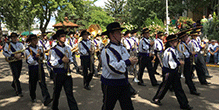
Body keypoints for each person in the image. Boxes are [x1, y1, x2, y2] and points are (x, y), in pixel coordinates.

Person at [100, 22, 138, 110]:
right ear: (111, 35)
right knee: (107, 107)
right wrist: (128, 62)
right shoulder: (106, 51)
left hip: (123, 83)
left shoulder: (123, 48)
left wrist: (132, 62)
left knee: (128, 107)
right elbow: (112, 68)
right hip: (110, 84)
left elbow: (126, 63)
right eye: (118, 32)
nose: (121, 35)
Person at [152, 35, 193, 110]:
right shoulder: (168, 51)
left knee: (178, 88)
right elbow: (170, 64)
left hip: (174, 72)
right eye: (175, 41)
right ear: (171, 43)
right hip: (169, 72)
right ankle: (157, 98)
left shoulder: (174, 50)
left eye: (176, 41)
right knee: (164, 86)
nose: (176, 42)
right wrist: (179, 63)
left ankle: (184, 104)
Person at [49, 29, 79, 110]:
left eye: (64, 36)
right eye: (62, 36)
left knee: (69, 93)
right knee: (57, 93)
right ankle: (54, 107)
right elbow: (52, 63)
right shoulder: (53, 50)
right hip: (58, 74)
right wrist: (61, 60)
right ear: (58, 38)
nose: (64, 38)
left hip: (67, 73)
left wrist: (69, 60)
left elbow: (71, 59)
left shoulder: (68, 48)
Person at [25, 34, 52, 105]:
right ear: (30, 41)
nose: (35, 41)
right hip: (33, 68)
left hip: (40, 67)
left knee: (43, 83)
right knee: (33, 84)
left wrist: (43, 57)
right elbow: (30, 61)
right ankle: (33, 96)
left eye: (36, 39)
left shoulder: (40, 48)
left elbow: (44, 58)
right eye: (33, 40)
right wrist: (35, 57)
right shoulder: (28, 50)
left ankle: (47, 98)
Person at [177, 31, 200, 96]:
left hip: (187, 61)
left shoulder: (185, 44)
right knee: (179, 76)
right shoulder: (181, 45)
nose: (187, 37)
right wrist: (191, 53)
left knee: (188, 76)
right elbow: (182, 54)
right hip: (183, 61)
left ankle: (192, 89)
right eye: (185, 36)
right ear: (182, 38)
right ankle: (192, 89)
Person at [3, 32, 24, 97]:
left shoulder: (20, 44)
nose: (14, 38)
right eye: (13, 37)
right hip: (12, 61)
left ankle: (13, 84)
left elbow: (24, 50)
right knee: (15, 75)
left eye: (15, 37)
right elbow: (4, 52)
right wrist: (13, 55)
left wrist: (21, 54)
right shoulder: (8, 44)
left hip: (19, 60)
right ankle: (18, 91)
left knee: (18, 74)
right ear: (11, 38)